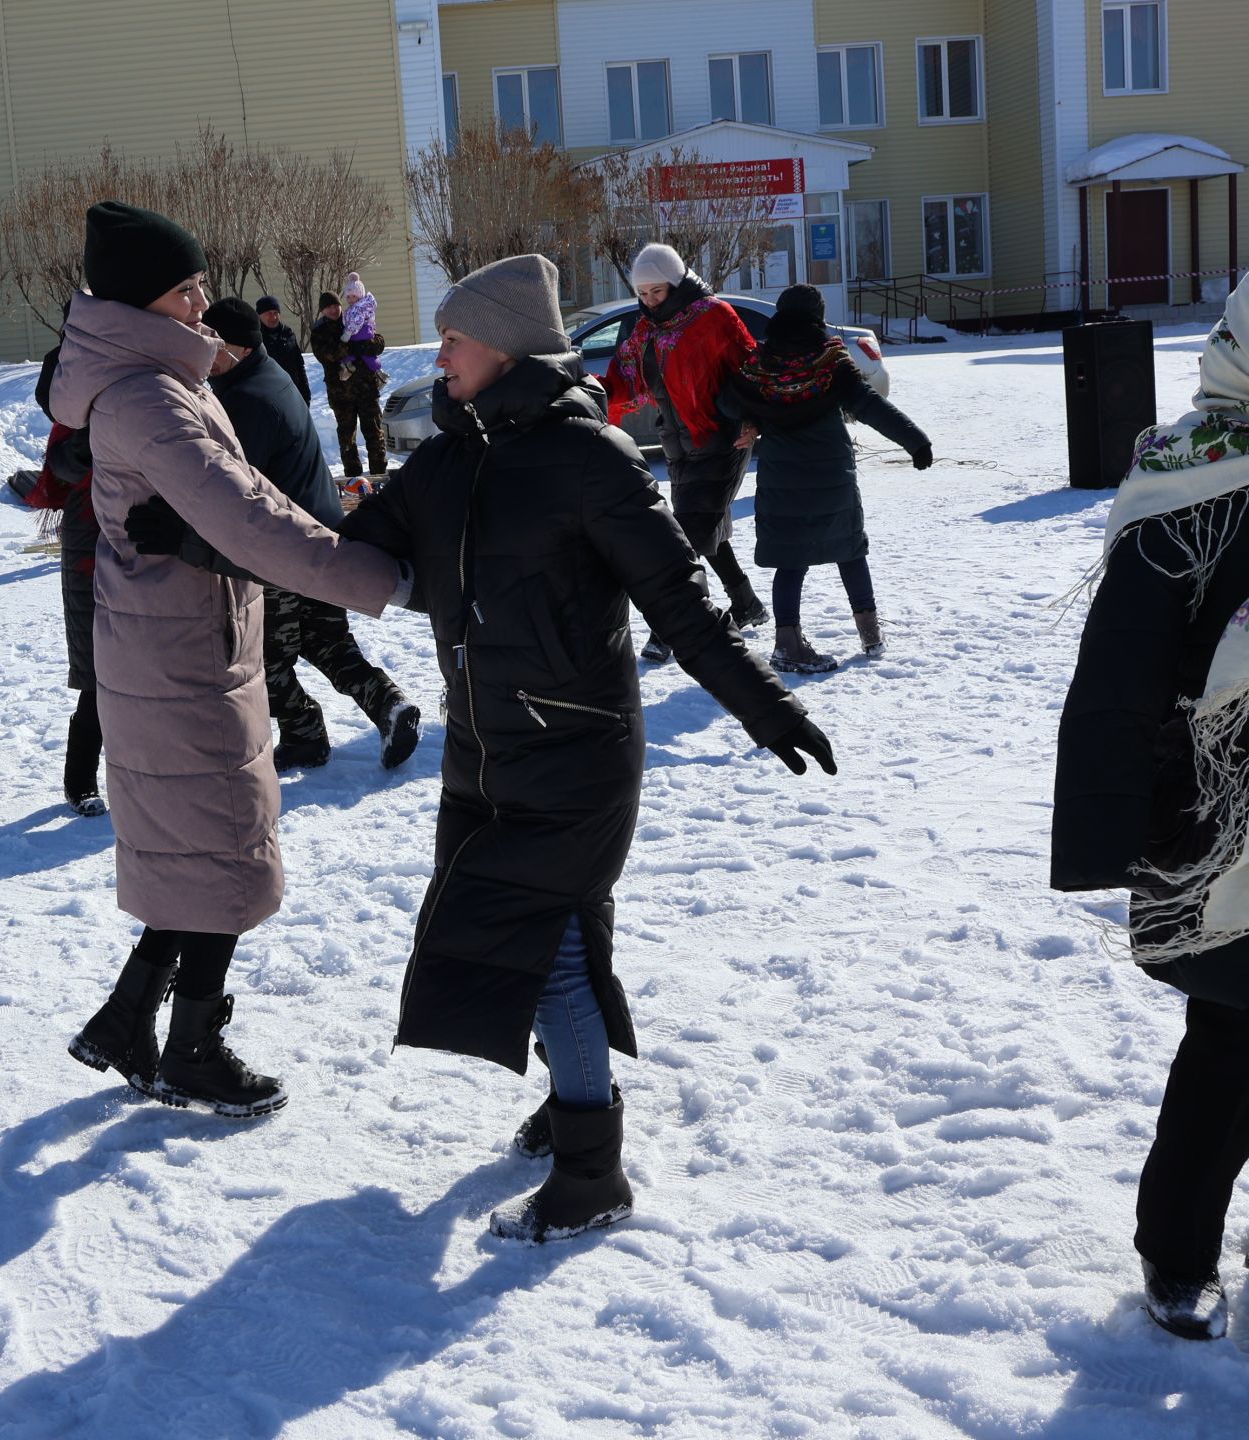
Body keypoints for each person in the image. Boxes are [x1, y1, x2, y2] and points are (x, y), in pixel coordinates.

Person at [130, 254, 836, 1241]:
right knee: (556, 937)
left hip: (581, 755)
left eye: (454, 338)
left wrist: (767, 708)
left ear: (503, 344)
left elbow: (684, 603)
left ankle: (593, 1169)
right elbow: (332, 553)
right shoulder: (446, 464)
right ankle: (568, 1098)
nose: (438, 352)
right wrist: (208, 539)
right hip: (483, 751)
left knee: (536, 950)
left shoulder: (592, 460)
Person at [48, 201, 405, 1119]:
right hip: (182, 655)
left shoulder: (156, 373)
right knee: (222, 850)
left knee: (198, 846)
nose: (205, 299)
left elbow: (231, 509)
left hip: (180, 639)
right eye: (185, 287)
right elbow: (249, 517)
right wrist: (385, 580)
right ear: (139, 300)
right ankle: (191, 1050)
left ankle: (131, 1018)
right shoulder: (148, 395)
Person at [1052, 274, 1249, 1342]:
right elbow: (1121, 674)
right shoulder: (1192, 479)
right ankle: (1177, 1255)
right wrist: (1121, 829)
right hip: (1225, 817)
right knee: (1230, 1040)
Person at [154, 296, 423, 773]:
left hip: (286, 546)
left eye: (208, 342)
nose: (200, 352)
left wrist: (181, 533)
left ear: (232, 346)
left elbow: (232, 495)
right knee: (327, 639)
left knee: (267, 657)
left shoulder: (245, 400)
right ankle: (388, 705)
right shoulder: (266, 376)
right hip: (320, 537)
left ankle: (304, 734)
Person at [719, 285, 932, 674]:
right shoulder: (832, 361)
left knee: (790, 561)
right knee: (850, 551)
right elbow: (870, 405)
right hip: (831, 476)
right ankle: (870, 635)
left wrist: (752, 418)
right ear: (818, 317)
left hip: (782, 479)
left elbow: (728, 400)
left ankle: (787, 644)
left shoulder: (759, 366)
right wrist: (915, 441)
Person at [603, 244, 767, 663]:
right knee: (704, 532)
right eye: (642, 294)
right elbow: (623, 377)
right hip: (679, 448)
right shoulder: (647, 329)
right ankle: (746, 603)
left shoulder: (714, 317)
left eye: (656, 292)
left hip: (722, 441)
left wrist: (755, 420)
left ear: (675, 283)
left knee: (686, 538)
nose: (649, 301)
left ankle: (669, 629)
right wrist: (585, 393)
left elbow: (751, 369)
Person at [25, 341, 107, 816]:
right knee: (99, 672)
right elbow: (62, 461)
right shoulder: (73, 389)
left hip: (136, 535)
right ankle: (80, 782)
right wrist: (96, 433)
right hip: (88, 538)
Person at [309, 288, 388, 488]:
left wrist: (359, 345)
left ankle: (379, 475)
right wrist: (355, 346)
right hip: (341, 393)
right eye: (328, 307)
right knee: (347, 437)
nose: (333, 310)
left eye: (336, 305)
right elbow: (328, 355)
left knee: (374, 431)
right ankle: (353, 481)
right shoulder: (319, 331)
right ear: (322, 311)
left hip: (367, 388)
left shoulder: (354, 316)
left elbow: (378, 342)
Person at [254, 294, 312, 406]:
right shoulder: (255, 339)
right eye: (268, 313)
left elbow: (299, 366)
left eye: (275, 313)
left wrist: (306, 395)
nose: (273, 317)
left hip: (292, 393)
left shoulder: (288, 333)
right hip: (268, 398)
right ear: (259, 315)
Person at [337, 272, 383, 385]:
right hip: (360, 331)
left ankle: (376, 372)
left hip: (362, 331)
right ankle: (350, 365)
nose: (351, 299)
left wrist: (347, 333)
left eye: (354, 296)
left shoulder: (359, 308)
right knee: (357, 350)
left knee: (358, 349)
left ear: (360, 295)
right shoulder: (354, 308)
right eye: (348, 296)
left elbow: (356, 322)